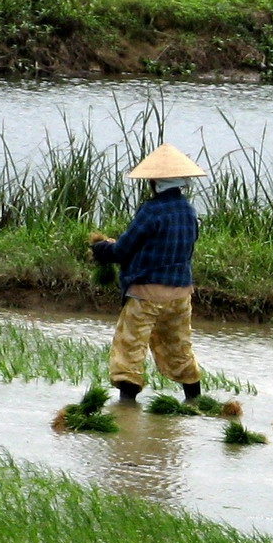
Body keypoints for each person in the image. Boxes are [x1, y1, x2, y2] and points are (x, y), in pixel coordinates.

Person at [91, 143, 205, 403]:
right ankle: (195, 400)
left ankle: (127, 407)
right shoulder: (189, 211)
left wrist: (101, 249)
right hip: (180, 295)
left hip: (146, 295)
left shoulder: (151, 211)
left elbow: (122, 250)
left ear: (156, 183)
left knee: (130, 348)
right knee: (179, 347)